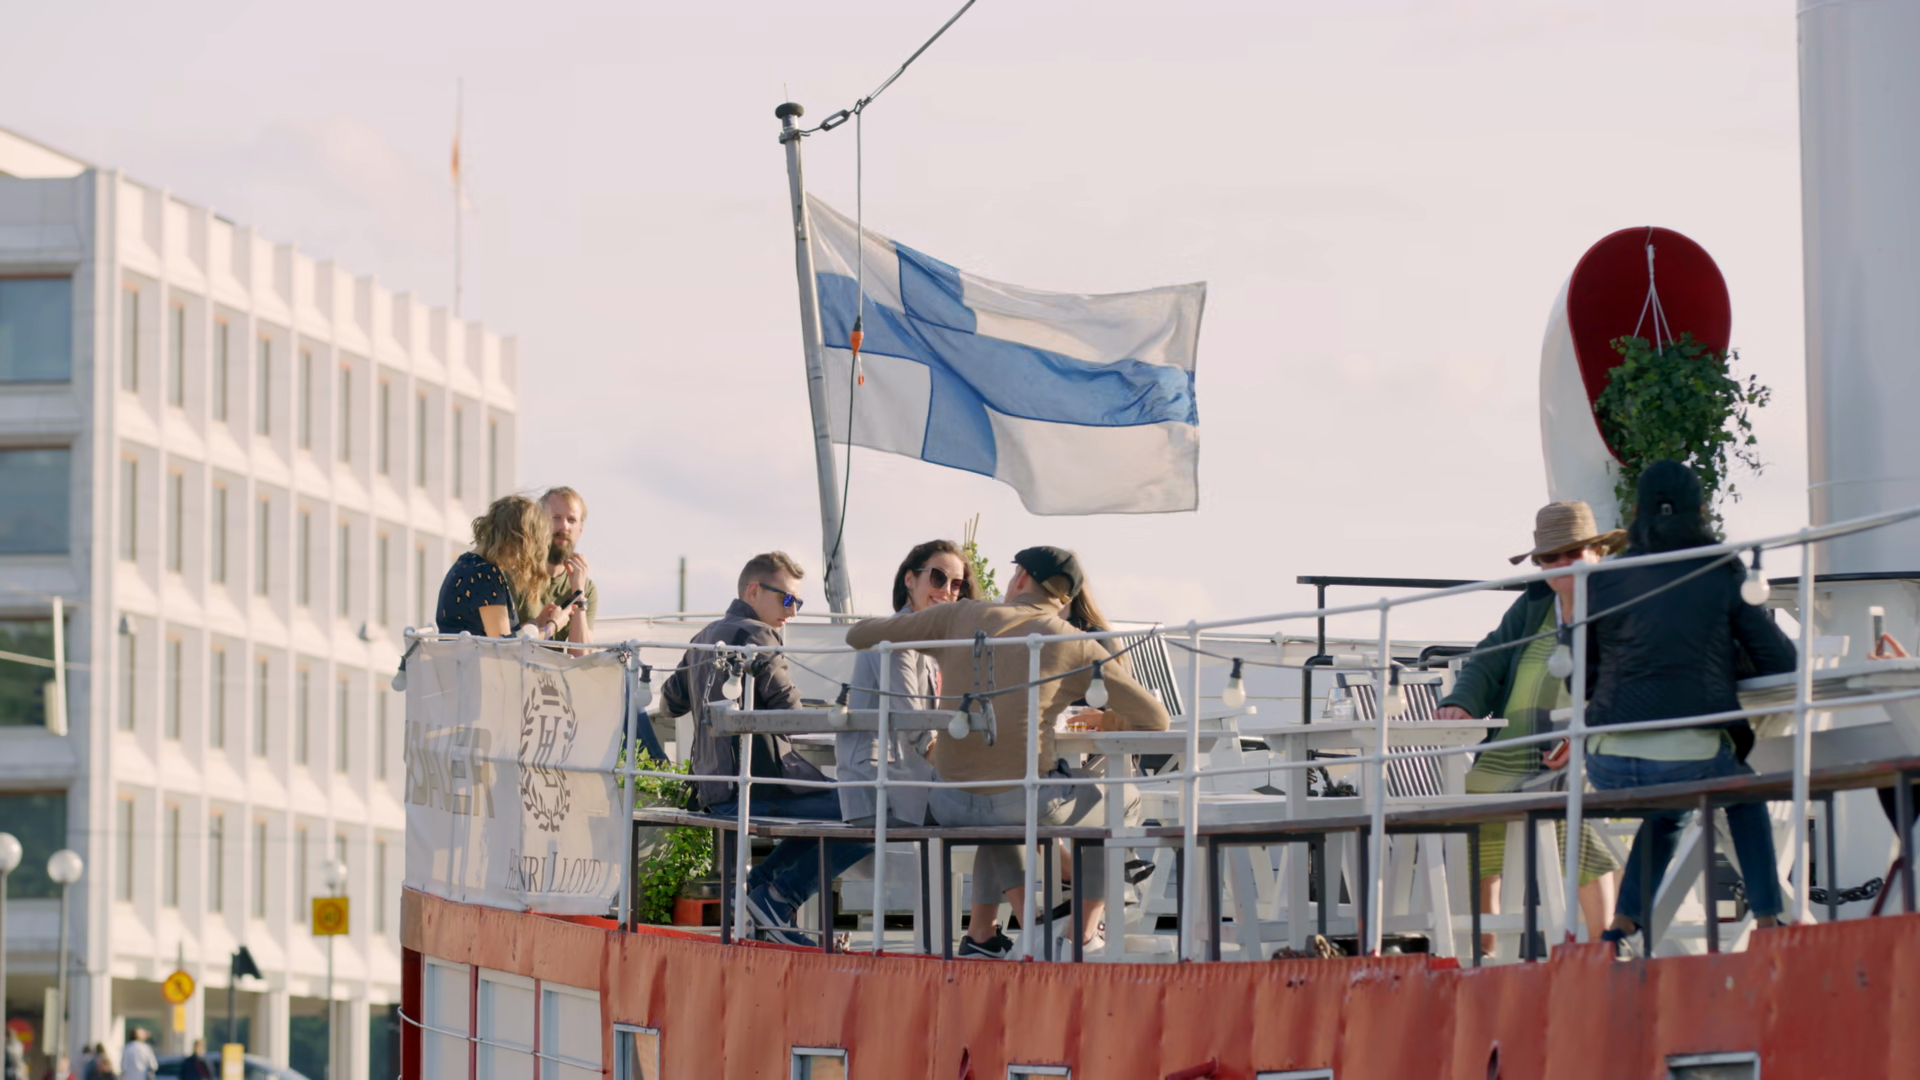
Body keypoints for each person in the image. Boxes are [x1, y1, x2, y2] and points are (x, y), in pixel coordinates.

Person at [846, 546, 1169, 958]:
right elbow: (1155, 718)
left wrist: (927, 631)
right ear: (1066, 597)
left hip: (948, 802)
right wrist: (1107, 721)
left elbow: (858, 635)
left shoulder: (959, 616)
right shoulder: (1076, 643)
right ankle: (1083, 934)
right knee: (1122, 799)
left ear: (1021, 577)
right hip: (1020, 801)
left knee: (995, 804)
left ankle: (985, 937)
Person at [1583, 461, 1798, 955]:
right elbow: (1779, 659)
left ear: (1636, 512)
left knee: (1669, 810)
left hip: (1606, 762)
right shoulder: (1718, 570)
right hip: (1687, 758)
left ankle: (1623, 926)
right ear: (1701, 510)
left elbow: (1584, 678)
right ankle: (1769, 919)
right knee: (1743, 794)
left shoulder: (1604, 578)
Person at [1436, 501, 1625, 952]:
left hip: (1591, 751)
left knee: (1573, 796)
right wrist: (1461, 702)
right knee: (1471, 798)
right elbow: (1489, 657)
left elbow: (1631, 679)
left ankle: (1603, 945)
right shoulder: (1534, 603)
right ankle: (1485, 950)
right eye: (1550, 557)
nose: (1562, 564)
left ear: (1598, 552)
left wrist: (1586, 733)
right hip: (1510, 752)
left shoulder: (1621, 604)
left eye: (1573, 553)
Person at [659, 552, 872, 946]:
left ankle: (756, 893)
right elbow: (791, 713)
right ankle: (777, 899)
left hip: (713, 793)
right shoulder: (759, 635)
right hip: (756, 791)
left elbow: (670, 704)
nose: (793, 611)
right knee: (867, 811)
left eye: (798, 602)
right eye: (787, 599)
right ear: (754, 590)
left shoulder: (703, 637)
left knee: (836, 810)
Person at [838, 540, 978, 828]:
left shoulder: (929, 642)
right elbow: (914, 723)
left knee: (1007, 808)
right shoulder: (896, 637)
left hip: (904, 784)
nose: (947, 590)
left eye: (957, 584)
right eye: (938, 577)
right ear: (910, 579)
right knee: (1004, 808)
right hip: (882, 790)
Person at [436, 495, 575, 640]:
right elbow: (504, 647)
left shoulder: (465, 564)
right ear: (518, 540)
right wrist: (552, 627)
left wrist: (537, 623)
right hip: (474, 656)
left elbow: (501, 638)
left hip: (459, 654)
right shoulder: (485, 574)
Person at [516, 486, 597, 644]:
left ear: (581, 528)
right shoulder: (516, 574)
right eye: (555, 518)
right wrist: (540, 625)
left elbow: (581, 655)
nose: (564, 526)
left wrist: (579, 593)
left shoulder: (587, 588)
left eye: (571, 520)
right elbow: (501, 643)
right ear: (539, 523)